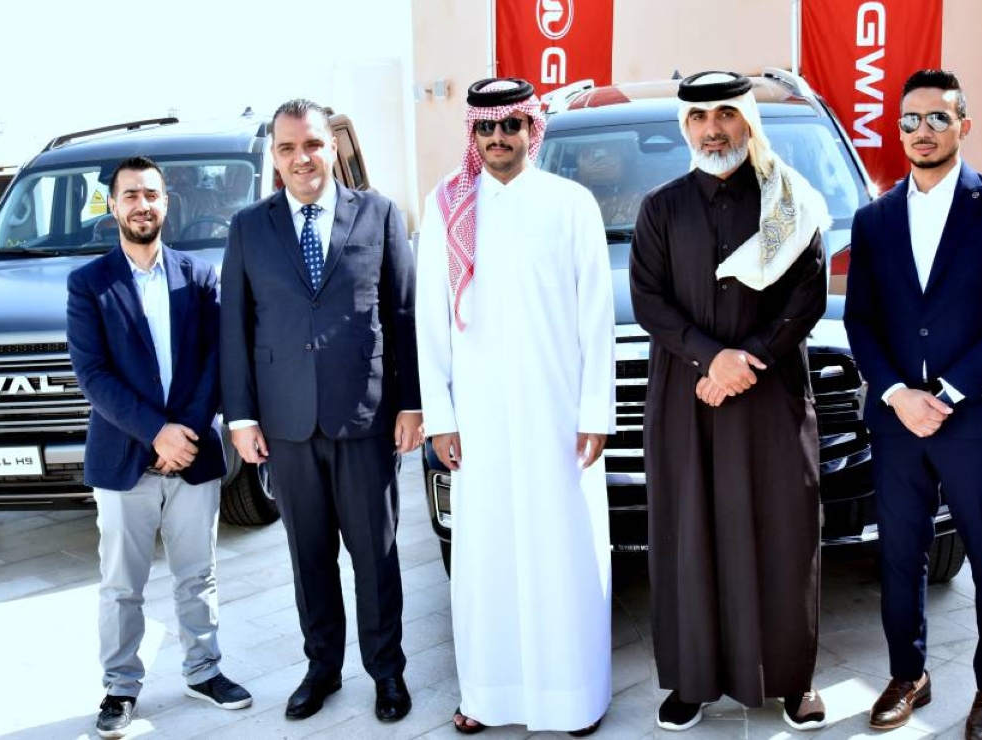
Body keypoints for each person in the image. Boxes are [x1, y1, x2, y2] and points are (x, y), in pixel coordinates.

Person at [843, 69, 982, 740]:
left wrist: (948, 394)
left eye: (936, 118)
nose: (921, 131)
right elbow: (861, 320)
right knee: (900, 555)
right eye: (909, 120)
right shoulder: (874, 220)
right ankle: (909, 675)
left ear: (964, 125)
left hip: (979, 421)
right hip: (899, 421)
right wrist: (900, 395)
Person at [629, 71, 831, 732]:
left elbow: (806, 291)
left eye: (725, 115)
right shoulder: (659, 207)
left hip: (770, 399)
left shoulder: (789, 200)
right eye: (699, 118)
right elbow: (648, 301)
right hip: (687, 399)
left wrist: (749, 358)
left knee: (783, 533)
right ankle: (693, 683)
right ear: (684, 128)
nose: (712, 129)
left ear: (747, 122)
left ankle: (794, 681)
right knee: (690, 538)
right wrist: (708, 356)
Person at [416, 77, 616, 736]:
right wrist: (441, 419)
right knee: (484, 559)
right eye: (486, 128)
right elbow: (431, 323)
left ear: (533, 129)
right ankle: (488, 694)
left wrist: (596, 412)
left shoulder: (571, 203)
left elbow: (596, 320)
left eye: (510, 126)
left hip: (558, 417)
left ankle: (574, 697)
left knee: (565, 553)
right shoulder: (446, 207)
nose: (498, 138)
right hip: (478, 422)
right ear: (472, 135)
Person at [219, 98, 422, 723]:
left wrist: (412, 403)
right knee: (309, 558)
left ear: (332, 147)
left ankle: (387, 673)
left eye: (311, 144)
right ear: (274, 158)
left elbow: (404, 314)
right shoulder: (249, 227)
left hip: (364, 418)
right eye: (287, 148)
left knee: (375, 555)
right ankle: (322, 669)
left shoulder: (380, 214)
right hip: (286, 425)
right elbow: (235, 328)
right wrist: (243, 417)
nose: (301, 158)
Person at [66, 156, 251, 739]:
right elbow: (93, 375)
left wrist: (185, 435)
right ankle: (120, 688)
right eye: (130, 195)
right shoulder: (89, 284)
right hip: (124, 463)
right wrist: (155, 433)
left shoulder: (197, 275)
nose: (141, 204)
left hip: (193, 455)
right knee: (122, 585)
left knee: (199, 576)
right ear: (112, 206)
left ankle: (204, 670)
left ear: (166, 202)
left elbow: (214, 362)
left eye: (151, 193)